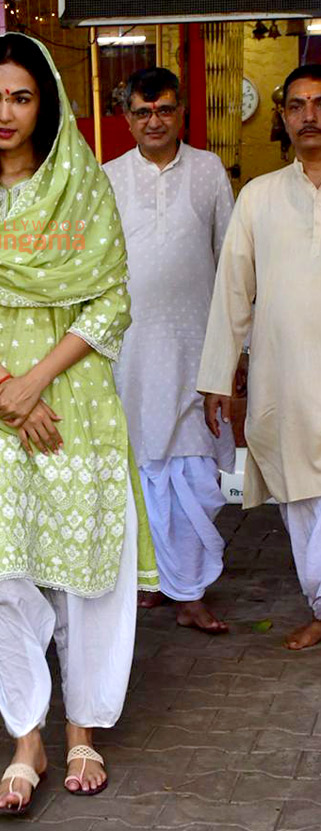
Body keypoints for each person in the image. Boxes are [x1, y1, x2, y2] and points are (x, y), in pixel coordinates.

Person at [0, 32, 158, 813]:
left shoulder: (79, 185)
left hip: (71, 395)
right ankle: (27, 735)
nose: (4, 112)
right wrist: (5, 387)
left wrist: (38, 382)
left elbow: (111, 299)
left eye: (21, 96)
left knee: (84, 565)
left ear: (43, 102)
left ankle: (82, 726)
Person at [104, 68, 235, 633]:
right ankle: (153, 579)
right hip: (129, 353)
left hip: (196, 350)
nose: (154, 121)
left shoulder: (208, 172)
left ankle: (192, 592)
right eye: (142, 112)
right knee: (140, 469)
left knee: (194, 472)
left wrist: (237, 353)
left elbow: (231, 262)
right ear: (127, 118)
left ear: (182, 113)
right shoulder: (107, 178)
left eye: (164, 110)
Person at [198, 64, 321, 651]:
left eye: (319, 103)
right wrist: (220, 375)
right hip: (288, 377)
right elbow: (231, 291)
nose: (309, 116)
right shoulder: (260, 197)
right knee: (299, 495)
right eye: (296, 105)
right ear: (283, 118)